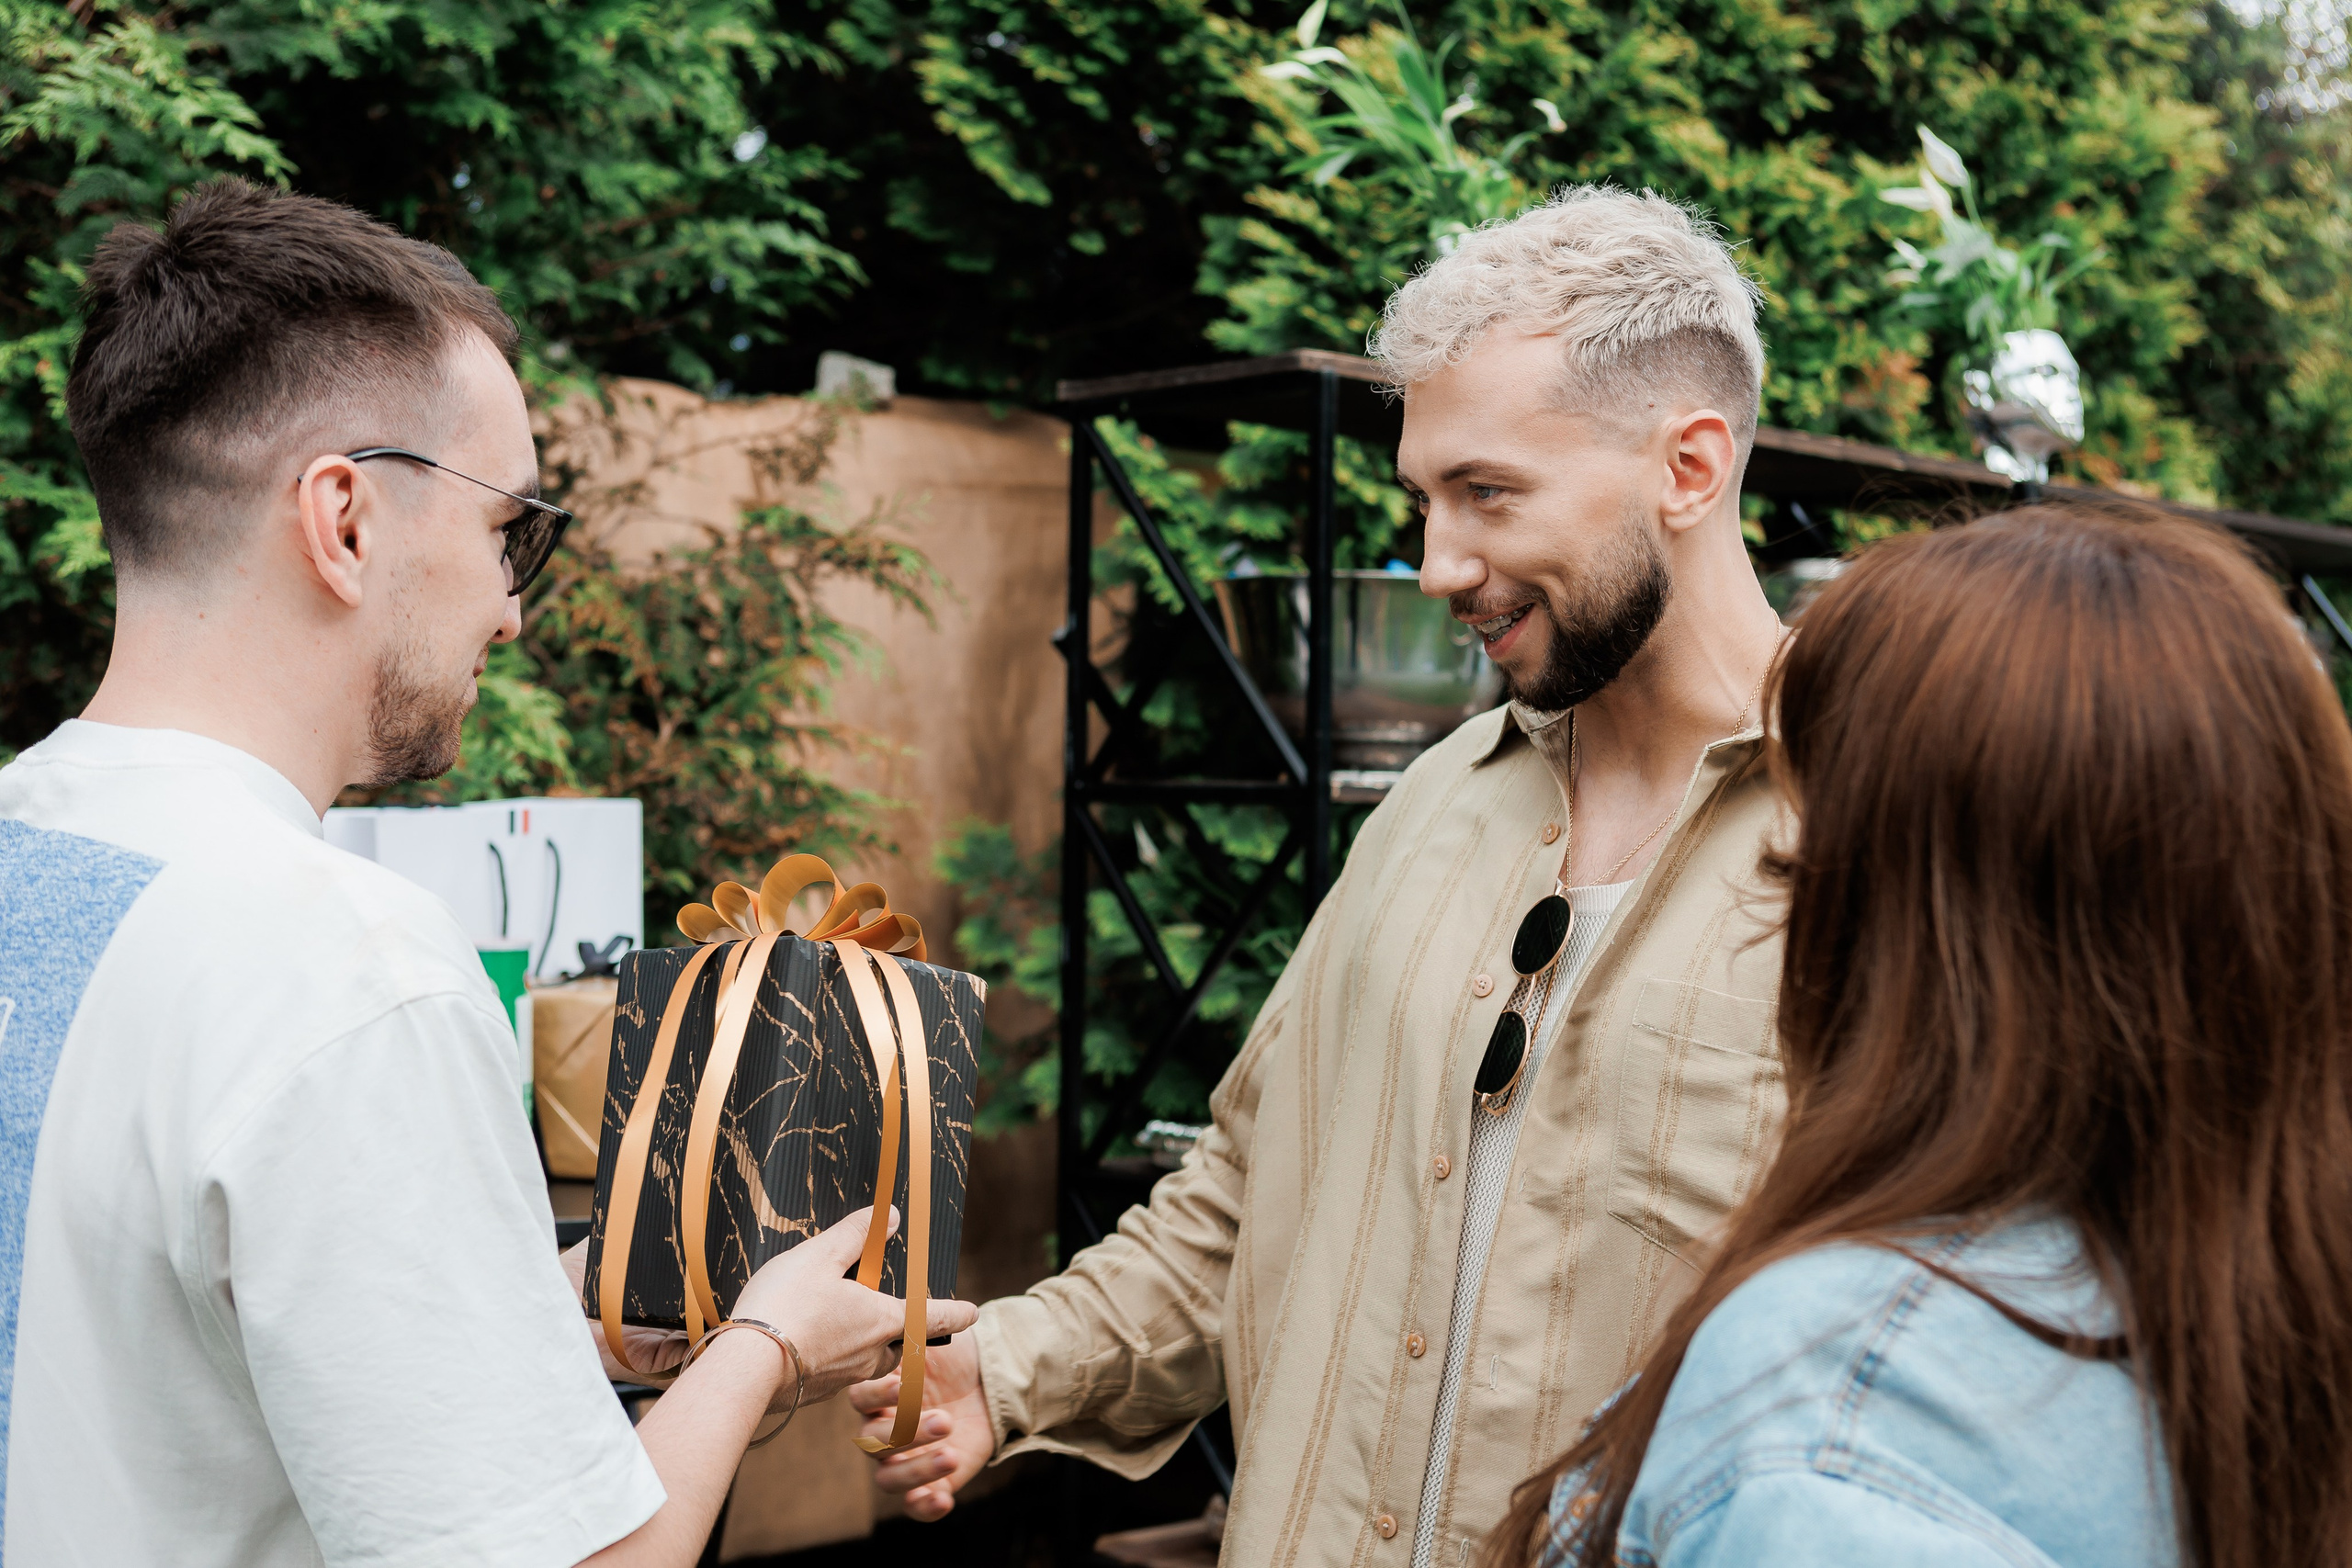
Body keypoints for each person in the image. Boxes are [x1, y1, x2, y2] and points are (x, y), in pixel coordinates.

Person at [0, 178, 973, 1567]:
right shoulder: (343, 963)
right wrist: (760, 1344)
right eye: (506, 525)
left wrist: (564, 1300)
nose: (513, 605)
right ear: (343, 519)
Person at [854, 186, 1793, 1568]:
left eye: (1487, 493)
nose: (1435, 564)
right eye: (1424, 497)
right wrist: (1009, 1367)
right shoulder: (1430, 807)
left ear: (1691, 467)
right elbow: (1254, 1192)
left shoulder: (1883, 841)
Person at [1497, 506, 2352, 1568]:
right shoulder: (2272, 1289)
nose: (1781, 900)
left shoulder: (1832, 1407)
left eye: (1806, 851)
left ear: (1904, 920)